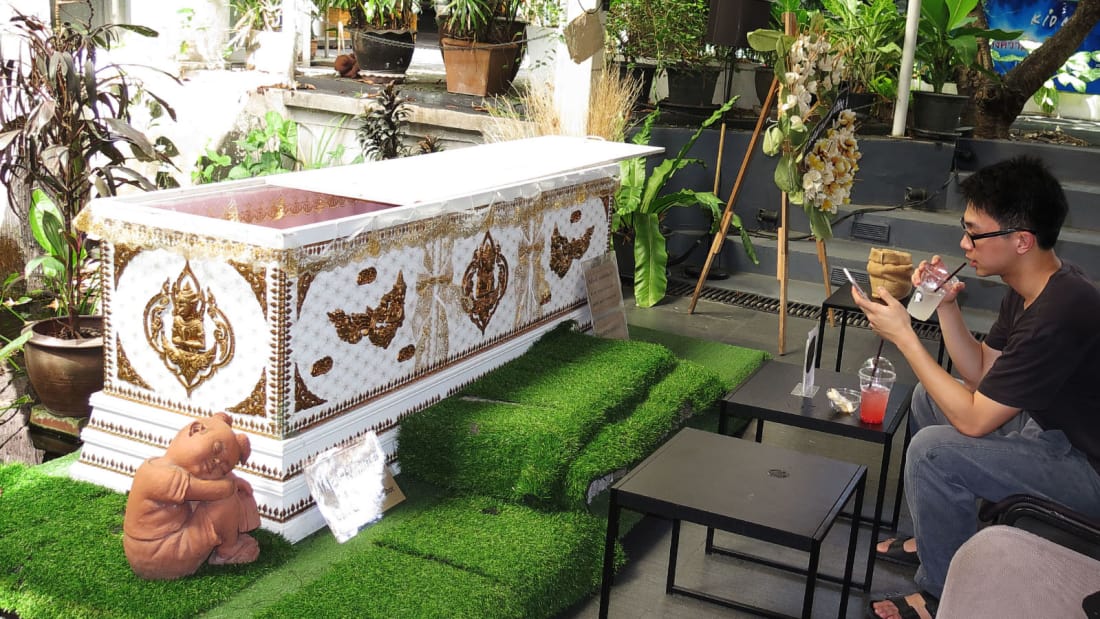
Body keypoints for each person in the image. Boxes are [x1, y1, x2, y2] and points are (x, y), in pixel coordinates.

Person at [852, 156, 1100, 619]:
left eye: (974, 233)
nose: (964, 244)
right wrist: (946, 306)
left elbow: (974, 418)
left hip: (1088, 469)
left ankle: (941, 593)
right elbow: (982, 374)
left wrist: (906, 337)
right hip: (1050, 432)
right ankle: (939, 540)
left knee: (933, 453)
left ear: (1021, 240)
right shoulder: (1031, 287)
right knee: (929, 399)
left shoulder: (1062, 309)